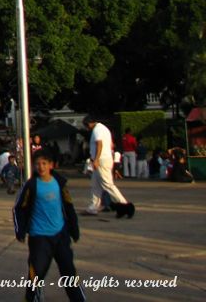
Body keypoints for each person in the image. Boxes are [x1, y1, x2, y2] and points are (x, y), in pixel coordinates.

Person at [13, 149, 85, 302]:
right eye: (37, 164)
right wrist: (20, 230)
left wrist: (74, 228)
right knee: (36, 273)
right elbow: (19, 208)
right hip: (39, 236)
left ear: (51, 165)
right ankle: (32, 298)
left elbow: (69, 206)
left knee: (69, 273)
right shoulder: (31, 185)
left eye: (44, 163)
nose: (41, 167)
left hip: (60, 235)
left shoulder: (59, 183)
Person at [82, 116, 135, 218]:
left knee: (107, 185)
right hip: (103, 159)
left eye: (86, 126)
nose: (87, 128)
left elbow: (99, 144)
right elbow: (110, 145)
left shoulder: (97, 130)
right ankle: (93, 207)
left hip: (101, 160)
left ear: (89, 123)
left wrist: (96, 159)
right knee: (95, 184)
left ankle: (125, 204)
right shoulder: (104, 129)